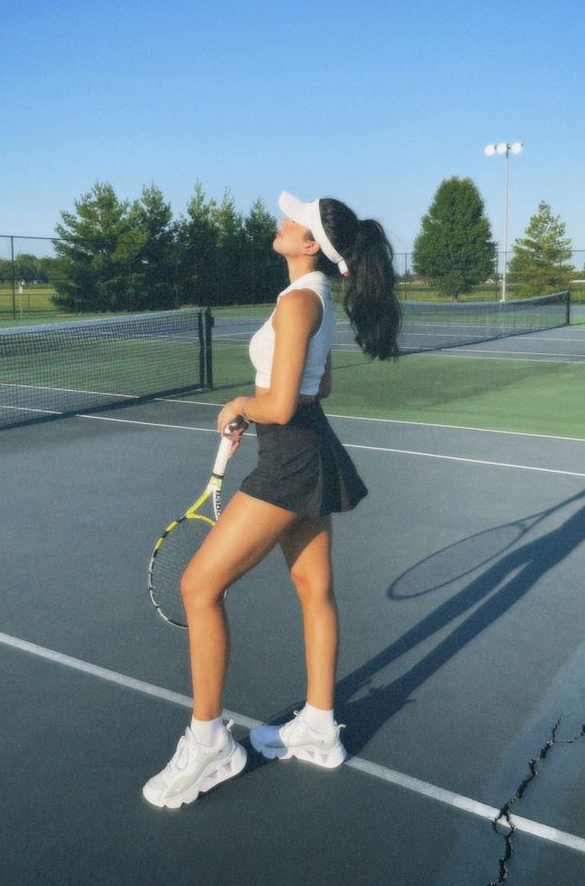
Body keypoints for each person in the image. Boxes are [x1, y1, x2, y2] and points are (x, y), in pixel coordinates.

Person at [143, 191, 401, 809]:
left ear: (310, 244)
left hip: (289, 461)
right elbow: (320, 385)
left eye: (296, 219)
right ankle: (317, 727)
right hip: (308, 450)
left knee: (199, 588)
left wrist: (238, 407)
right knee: (315, 591)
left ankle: (209, 745)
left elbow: (279, 405)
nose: (282, 221)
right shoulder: (318, 299)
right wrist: (258, 407)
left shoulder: (296, 302)